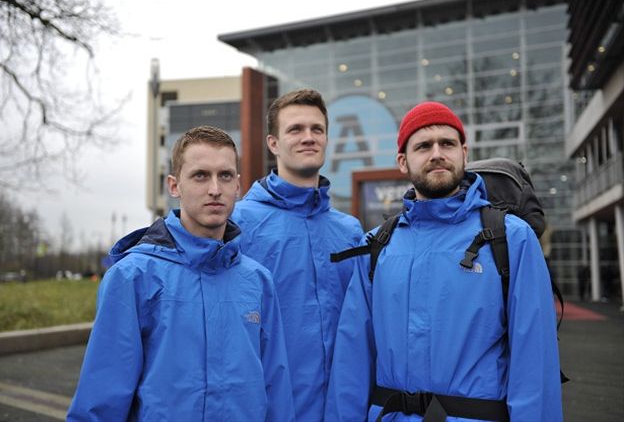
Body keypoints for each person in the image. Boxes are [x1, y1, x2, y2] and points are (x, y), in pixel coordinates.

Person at [325, 102, 563, 421]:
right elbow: (351, 361)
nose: (437, 153)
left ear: (464, 153)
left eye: (447, 143)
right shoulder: (376, 246)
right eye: (423, 146)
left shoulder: (511, 238)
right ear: (402, 161)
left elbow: (535, 363)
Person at [67, 126, 294, 422]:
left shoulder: (258, 281)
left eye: (225, 176)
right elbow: (100, 399)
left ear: (238, 185)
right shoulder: (133, 277)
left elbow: (276, 389)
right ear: (174, 186)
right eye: (200, 175)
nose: (215, 189)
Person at [231, 88, 363, 421]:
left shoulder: (350, 231)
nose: (308, 137)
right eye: (295, 129)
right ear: (273, 143)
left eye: (317, 129)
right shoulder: (238, 223)